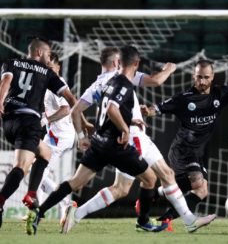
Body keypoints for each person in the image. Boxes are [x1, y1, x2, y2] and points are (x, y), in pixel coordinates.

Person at [28, 46, 215, 235]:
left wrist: (82, 137)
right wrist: (170, 69)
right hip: (129, 138)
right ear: (119, 63)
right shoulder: (125, 78)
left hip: (100, 140)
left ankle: (48, 212)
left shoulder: (98, 84)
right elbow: (148, 85)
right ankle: (181, 220)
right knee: (160, 176)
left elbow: (76, 109)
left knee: (111, 187)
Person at [141, 59, 228, 223]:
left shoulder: (221, 93)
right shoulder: (184, 99)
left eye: (205, 77)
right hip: (182, 150)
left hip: (197, 152)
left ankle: (155, 195)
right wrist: (147, 111)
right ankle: (165, 220)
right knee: (199, 186)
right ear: (193, 77)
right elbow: (157, 109)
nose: (201, 81)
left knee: (201, 191)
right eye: (198, 77)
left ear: (212, 77)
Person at [0, 37, 77, 229]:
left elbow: (6, 81)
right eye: (49, 54)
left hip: (9, 122)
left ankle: (32, 195)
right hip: (29, 123)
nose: (50, 59)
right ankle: (4, 201)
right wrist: (82, 123)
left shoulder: (11, 62)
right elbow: (70, 99)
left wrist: (0, 101)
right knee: (20, 168)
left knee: (45, 153)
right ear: (40, 53)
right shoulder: (48, 73)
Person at [37, 52, 76, 218]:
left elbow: (66, 109)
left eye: (51, 68)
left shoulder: (58, 85)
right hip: (54, 135)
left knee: (39, 172)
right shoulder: (48, 84)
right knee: (36, 170)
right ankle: (64, 202)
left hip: (60, 136)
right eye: (46, 68)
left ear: (58, 67)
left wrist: (46, 119)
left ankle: (63, 202)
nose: (48, 71)